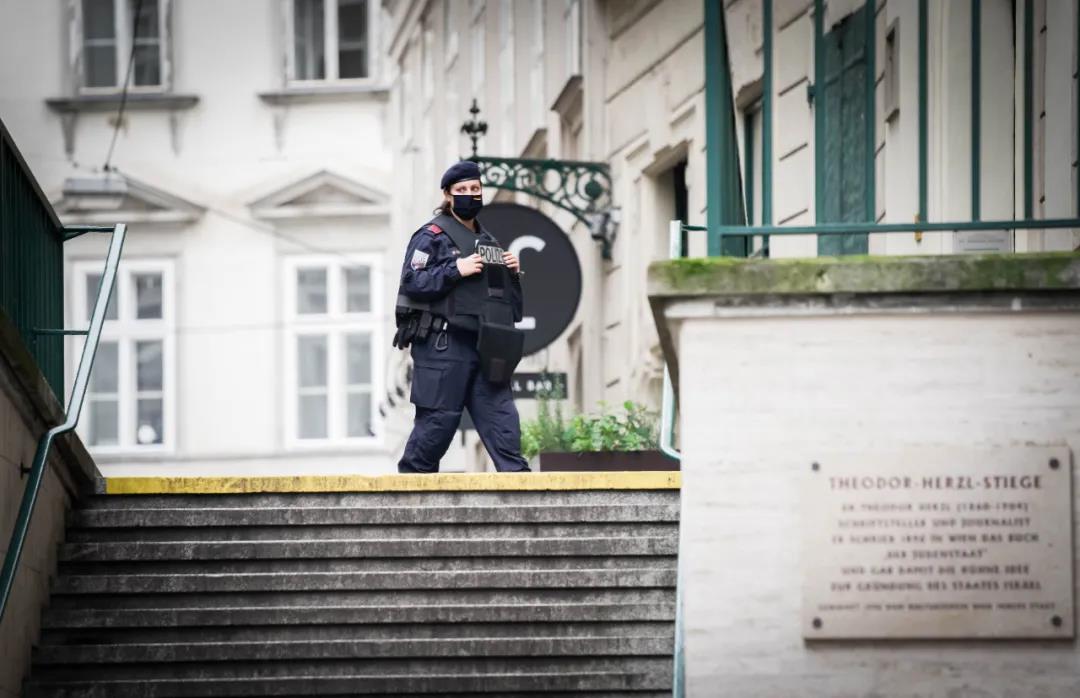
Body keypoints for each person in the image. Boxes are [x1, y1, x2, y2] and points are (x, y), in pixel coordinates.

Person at [392, 160, 530, 473]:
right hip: (443, 345)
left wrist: (511, 273)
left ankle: (521, 488)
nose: (470, 194)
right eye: (462, 189)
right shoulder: (431, 235)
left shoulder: (489, 242)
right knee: (438, 424)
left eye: (475, 188)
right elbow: (412, 281)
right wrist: (456, 269)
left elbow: (508, 306)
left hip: (486, 346)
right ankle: (411, 491)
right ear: (448, 195)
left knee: (503, 422)